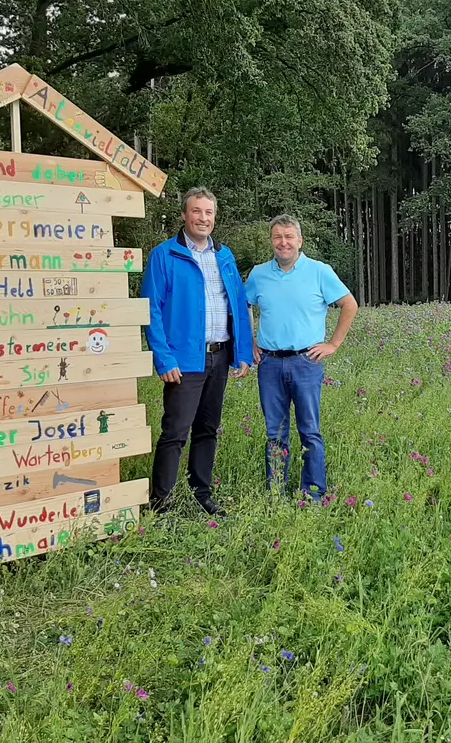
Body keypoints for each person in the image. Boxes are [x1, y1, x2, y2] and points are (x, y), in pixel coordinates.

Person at [139, 188, 254, 516]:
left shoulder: (225, 256)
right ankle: (161, 502)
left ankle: (202, 493)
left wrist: (242, 352)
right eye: (196, 212)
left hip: (219, 355)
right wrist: (164, 358)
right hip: (184, 360)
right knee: (176, 431)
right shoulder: (165, 255)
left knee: (208, 428)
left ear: (214, 217)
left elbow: (238, 305)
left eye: (208, 213)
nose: (203, 218)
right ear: (184, 215)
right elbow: (152, 310)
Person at [243, 214, 358, 501]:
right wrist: (251, 342)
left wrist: (333, 343)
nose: (283, 242)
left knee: (310, 431)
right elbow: (244, 304)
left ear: (300, 240)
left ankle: (314, 494)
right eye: (278, 237)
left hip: (305, 362)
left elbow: (349, 304)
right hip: (268, 363)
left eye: (289, 236)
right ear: (271, 241)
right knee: (274, 432)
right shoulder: (258, 274)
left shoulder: (320, 271)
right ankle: (277, 493)